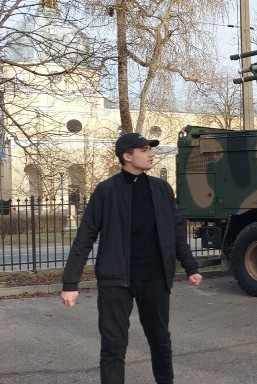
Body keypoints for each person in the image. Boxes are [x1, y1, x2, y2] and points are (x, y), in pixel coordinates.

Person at [60, 132, 203, 384]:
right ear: (127, 156)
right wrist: (70, 283)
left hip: (155, 278)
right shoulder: (106, 191)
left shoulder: (161, 189)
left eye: (150, 149)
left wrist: (190, 266)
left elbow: (176, 230)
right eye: (145, 150)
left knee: (160, 339)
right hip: (115, 280)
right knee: (113, 345)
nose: (151, 154)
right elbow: (85, 237)